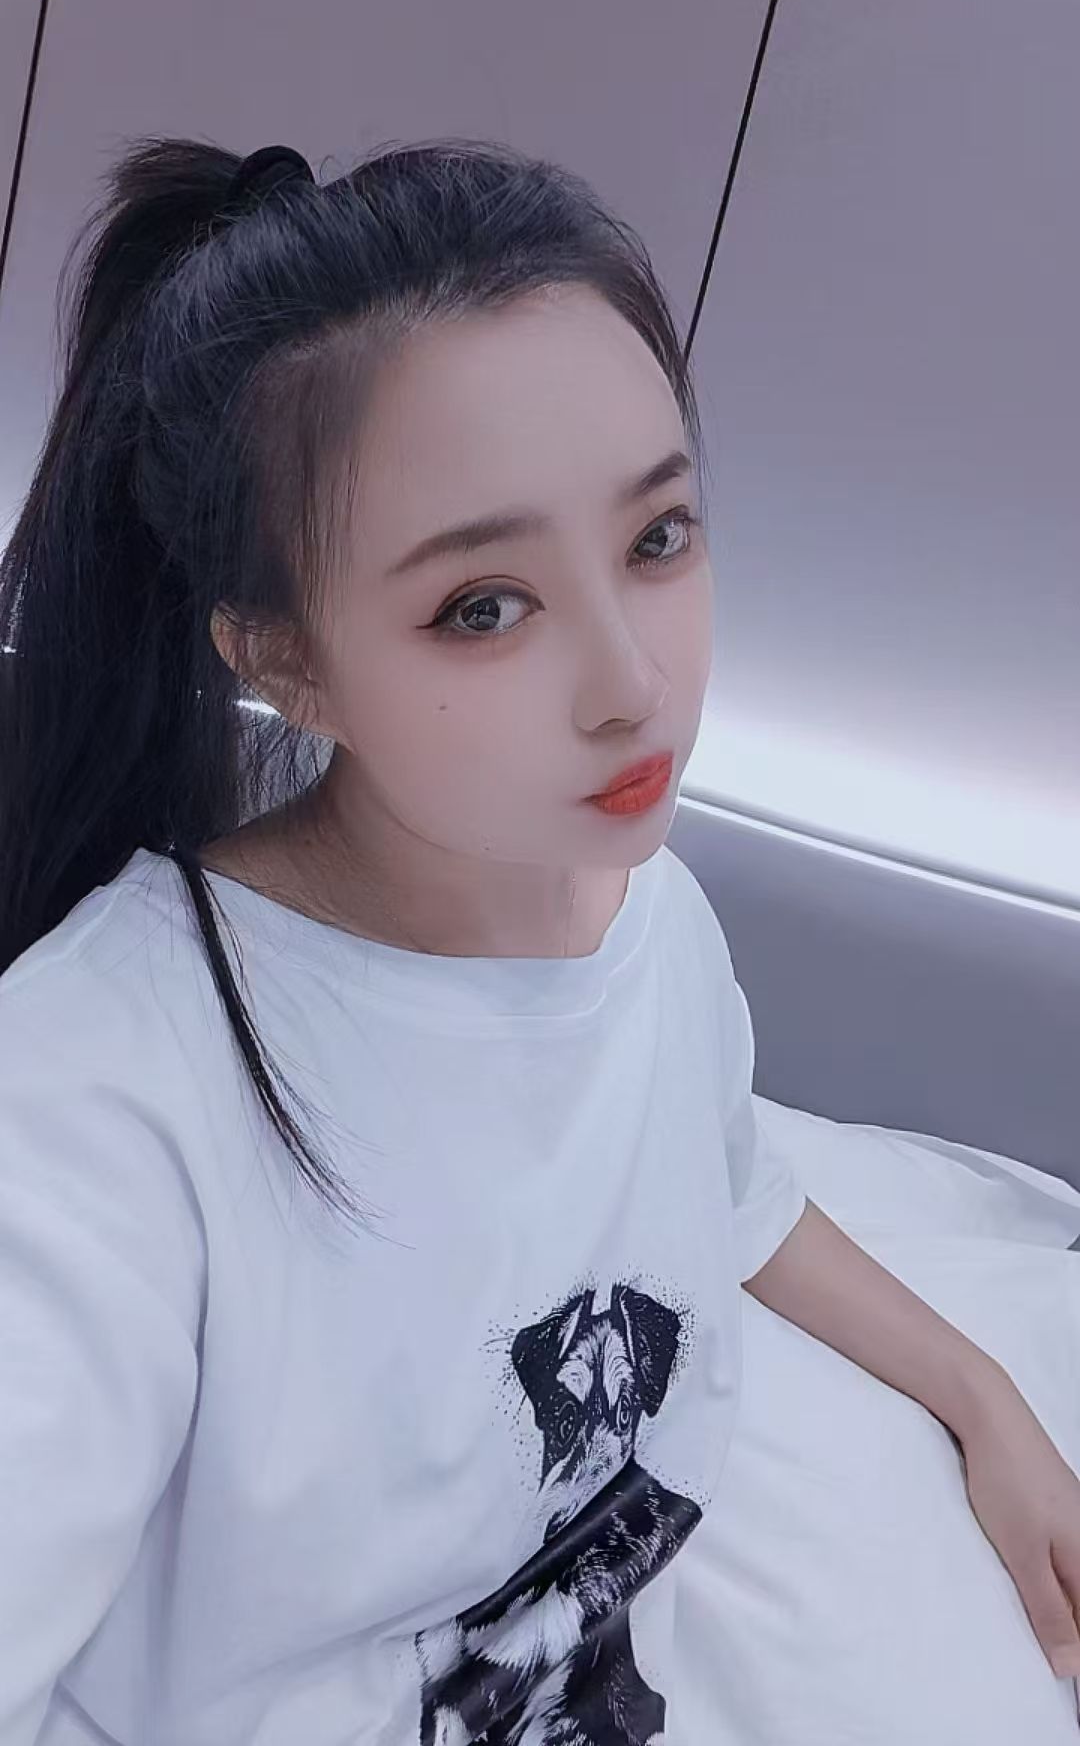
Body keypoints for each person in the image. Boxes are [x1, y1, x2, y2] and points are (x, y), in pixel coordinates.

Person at [1, 135, 1077, 1746]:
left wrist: (988, 1403)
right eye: (485, 607)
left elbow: (728, 1184)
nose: (633, 683)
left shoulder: (645, 912)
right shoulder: (100, 1102)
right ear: (282, 660)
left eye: (658, 538)